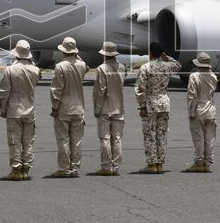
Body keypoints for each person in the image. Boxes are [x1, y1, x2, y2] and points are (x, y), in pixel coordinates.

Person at [134, 42, 181, 174]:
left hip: (150, 104)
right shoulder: (166, 66)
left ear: (151, 53)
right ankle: (160, 163)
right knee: (162, 134)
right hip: (164, 103)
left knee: (150, 134)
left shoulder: (146, 67)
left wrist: (142, 106)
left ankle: (151, 164)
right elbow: (178, 66)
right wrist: (167, 58)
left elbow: (140, 89)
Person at [0, 40, 40, 180]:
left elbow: (4, 91)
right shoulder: (35, 70)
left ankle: (16, 170)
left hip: (14, 109)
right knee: (28, 141)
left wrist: (2, 108)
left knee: (15, 141)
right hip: (30, 108)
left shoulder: (10, 69)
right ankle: (26, 169)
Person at [50, 37, 88, 178]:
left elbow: (56, 90)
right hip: (79, 107)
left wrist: (55, 107)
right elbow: (84, 65)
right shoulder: (82, 65)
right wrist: (76, 56)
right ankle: (75, 167)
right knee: (76, 140)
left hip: (64, 108)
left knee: (63, 139)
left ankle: (64, 168)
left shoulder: (60, 67)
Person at [93, 42, 127, 176]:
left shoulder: (102, 68)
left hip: (105, 107)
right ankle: (116, 166)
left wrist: (97, 108)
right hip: (119, 106)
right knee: (117, 138)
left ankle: (107, 167)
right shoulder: (122, 67)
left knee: (105, 138)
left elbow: (100, 91)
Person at [185, 52, 219, 173]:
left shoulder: (194, 76)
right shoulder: (213, 76)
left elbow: (192, 95)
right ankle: (207, 162)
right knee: (209, 138)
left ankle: (199, 161)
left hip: (198, 109)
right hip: (210, 109)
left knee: (198, 138)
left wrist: (191, 111)